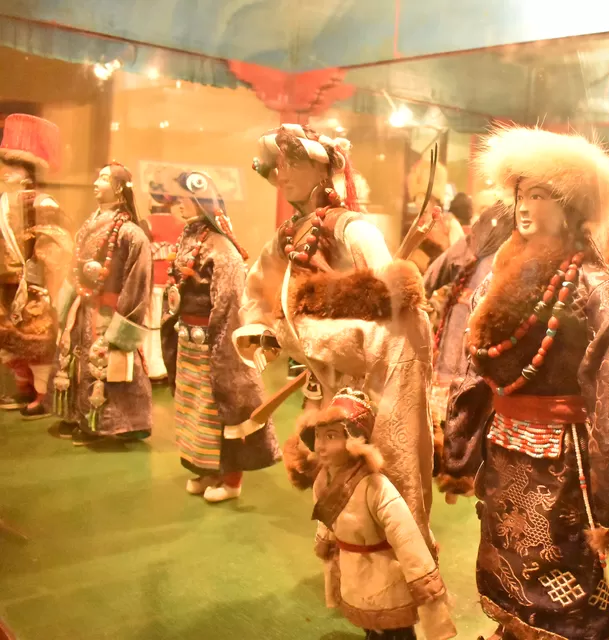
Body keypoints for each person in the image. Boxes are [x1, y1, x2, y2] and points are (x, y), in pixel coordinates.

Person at [441, 127, 609, 640]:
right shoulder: (504, 265)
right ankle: (513, 627)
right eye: (521, 193)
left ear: (570, 205)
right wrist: (462, 437)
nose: (525, 206)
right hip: (503, 447)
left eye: (540, 194)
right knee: (501, 545)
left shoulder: (593, 284)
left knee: (561, 556)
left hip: (561, 456)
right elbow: (477, 357)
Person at [234, 124, 435, 546]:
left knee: (374, 474)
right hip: (324, 375)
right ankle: (343, 552)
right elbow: (258, 284)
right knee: (330, 466)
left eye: (294, 163)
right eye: (278, 166)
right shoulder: (290, 235)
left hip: (365, 382)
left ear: (322, 169)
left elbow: (395, 305)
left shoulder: (353, 230)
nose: (282, 175)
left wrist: (347, 341)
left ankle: (393, 566)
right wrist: (261, 328)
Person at [283, 388, 456, 640]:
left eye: (331, 436)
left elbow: (404, 533)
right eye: (318, 436)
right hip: (353, 567)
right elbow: (326, 517)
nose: (321, 445)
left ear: (354, 441)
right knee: (370, 624)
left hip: (383, 570)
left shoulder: (375, 486)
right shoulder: (324, 479)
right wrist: (326, 541)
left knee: (394, 627)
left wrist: (421, 578)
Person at [160, 171, 280, 502]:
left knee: (221, 409)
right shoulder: (189, 237)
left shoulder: (222, 245)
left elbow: (228, 303)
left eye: (185, 198)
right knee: (193, 409)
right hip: (188, 338)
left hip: (213, 343)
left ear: (202, 200)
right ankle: (205, 469)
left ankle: (230, 480)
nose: (179, 204)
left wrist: (220, 348)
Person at [51, 162, 153, 444]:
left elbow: (137, 281)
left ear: (119, 189)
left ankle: (118, 425)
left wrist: (126, 325)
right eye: (97, 177)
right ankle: (80, 416)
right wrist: (65, 303)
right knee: (79, 362)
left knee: (109, 366)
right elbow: (75, 267)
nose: (96, 182)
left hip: (110, 311)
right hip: (84, 305)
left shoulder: (131, 233)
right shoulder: (89, 224)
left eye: (104, 178)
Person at [423, 201, 514, 470]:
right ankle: (455, 460)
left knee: (462, 388)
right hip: (474, 328)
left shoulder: (477, 247)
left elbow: (430, 277)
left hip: (473, 327)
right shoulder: (481, 248)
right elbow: (431, 277)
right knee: (466, 388)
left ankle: (453, 460)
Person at [0, 114, 70, 418]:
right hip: (7, 282)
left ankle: (42, 394)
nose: (5, 173)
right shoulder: (4, 202)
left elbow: (54, 244)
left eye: (12, 169)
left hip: (34, 285)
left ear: (27, 172)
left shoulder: (43, 203)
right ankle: (23, 388)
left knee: (37, 341)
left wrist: (44, 281)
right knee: (12, 341)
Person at [140, 168, 186, 383]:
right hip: (172, 284)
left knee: (150, 326)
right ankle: (167, 365)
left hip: (152, 282)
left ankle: (152, 366)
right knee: (168, 326)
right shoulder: (181, 225)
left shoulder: (145, 223)